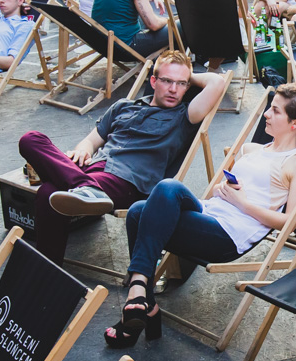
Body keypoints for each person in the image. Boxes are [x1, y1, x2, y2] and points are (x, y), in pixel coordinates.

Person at [110, 85, 296, 347]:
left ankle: (139, 290)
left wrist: (242, 202)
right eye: (269, 108)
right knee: (138, 211)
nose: (266, 114)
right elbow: (227, 190)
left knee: (158, 195)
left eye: (275, 111)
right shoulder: (251, 149)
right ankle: (146, 303)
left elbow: (290, 223)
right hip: (210, 212)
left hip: (228, 235)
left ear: (294, 123)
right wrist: (223, 189)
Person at [15, 54, 228, 263]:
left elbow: (217, 82)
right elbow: (90, 141)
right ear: (153, 81)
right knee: (30, 139)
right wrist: (83, 151)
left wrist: (188, 75)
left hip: (127, 181)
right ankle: (85, 188)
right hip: (90, 170)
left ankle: (45, 271)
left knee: (47, 191)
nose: (174, 89)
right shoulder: (123, 106)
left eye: (181, 84)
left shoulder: (184, 117)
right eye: (167, 81)